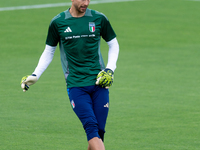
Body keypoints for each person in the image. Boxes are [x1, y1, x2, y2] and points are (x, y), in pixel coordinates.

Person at [20, 0, 119, 149]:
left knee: (99, 132)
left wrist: (110, 69)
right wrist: (36, 74)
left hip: (100, 83)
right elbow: (49, 51)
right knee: (91, 128)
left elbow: (113, 43)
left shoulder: (99, 18)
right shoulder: (58, 22)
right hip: (76, 86)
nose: (86, 3)